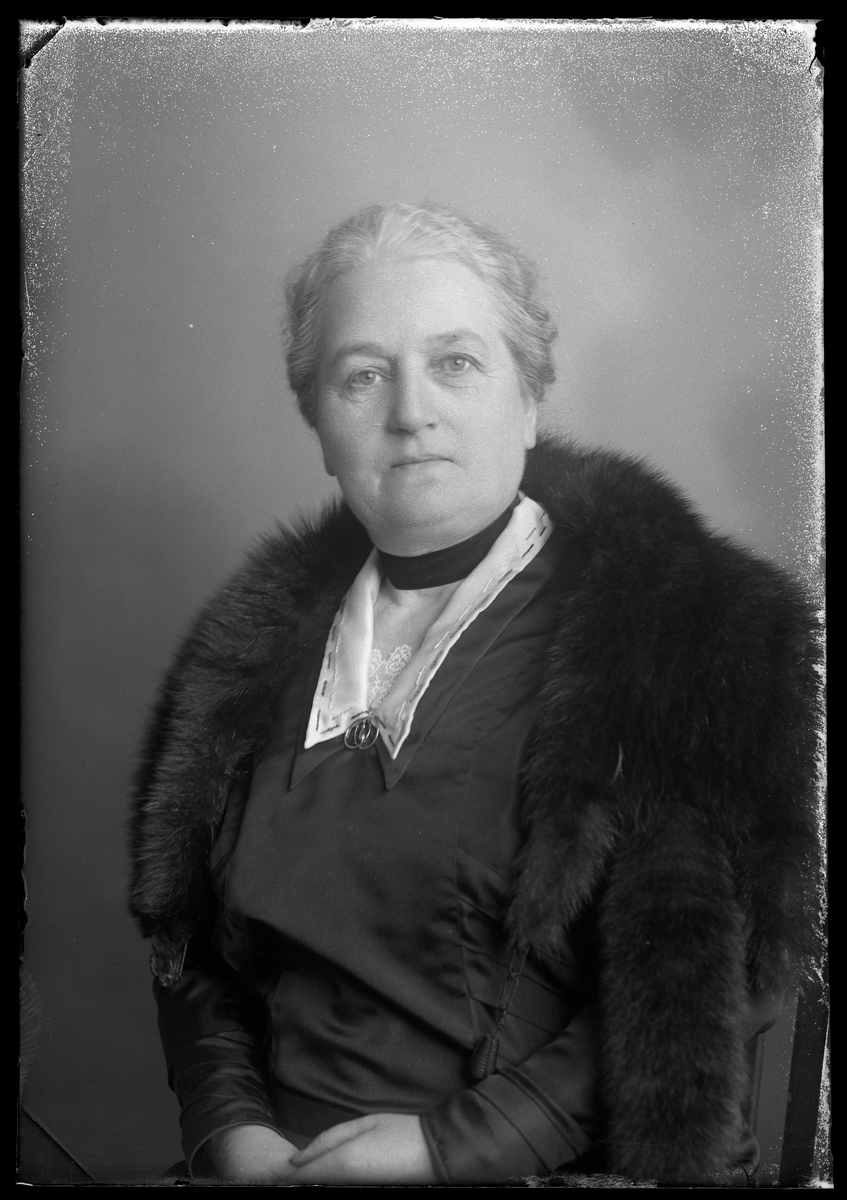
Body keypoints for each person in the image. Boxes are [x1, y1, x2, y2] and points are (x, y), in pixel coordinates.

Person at [129, 202, 822, 1185]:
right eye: (362, 375)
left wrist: (446, 1150)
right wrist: (230, 1131)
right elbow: (193, 949)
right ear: (318, 424)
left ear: (529, 400)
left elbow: (740, 961)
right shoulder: (247, 660)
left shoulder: (689, 625)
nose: (410, 411)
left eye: (454, 362)